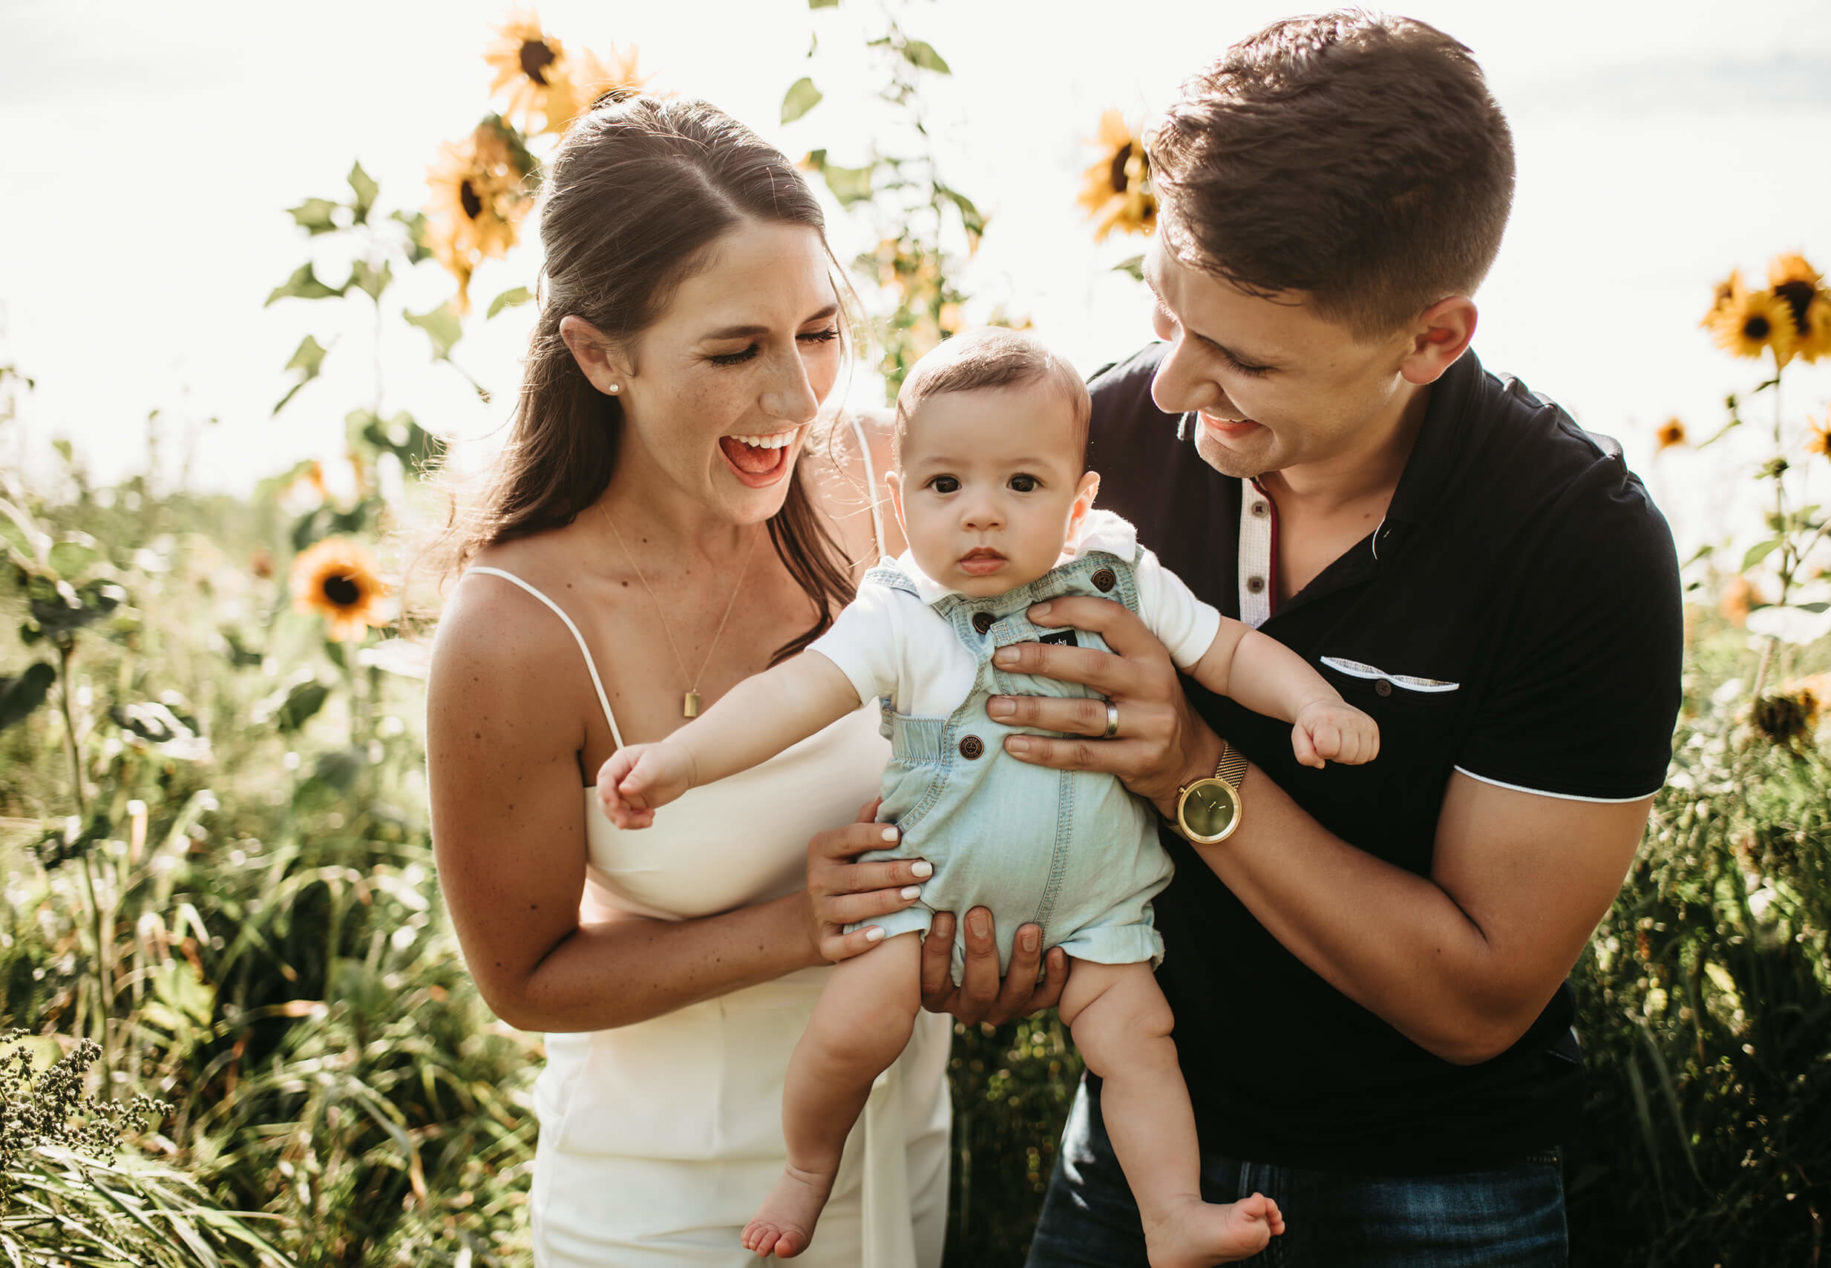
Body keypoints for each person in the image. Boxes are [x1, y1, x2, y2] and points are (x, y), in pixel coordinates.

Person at [892, 15, 1679, 1266]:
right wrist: (992, 942)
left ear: (1430, 340)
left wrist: (1189, 765)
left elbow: (1478, 1000)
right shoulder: (1090, 453)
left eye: (1241, 358)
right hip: (1137, 1156)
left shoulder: (1575, 542)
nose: (1166, 389)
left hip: (1440, 1193)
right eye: (1166, 314)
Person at [599, 327, 1380, 1263]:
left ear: (1080, 500)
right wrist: (680, 762)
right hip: (926, 896)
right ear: (900, 497)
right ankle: (808, 1168)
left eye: (1022, 485)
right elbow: (790, 697)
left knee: (1138, 1041)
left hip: (1095, 906)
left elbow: (1228, 649)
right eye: (945, 486)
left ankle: (1172, 1215)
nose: (981, 515)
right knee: (855, 1027)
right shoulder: (900, 613)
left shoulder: (1119, 575)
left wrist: (1313, 703)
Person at [425, 95, 984, 1267]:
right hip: (667, 1214)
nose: (797, 400)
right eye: (735, 350)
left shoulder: (892, 483)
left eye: (820, 331)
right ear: (598, 353)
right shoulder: (517, 628)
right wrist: (801, 925)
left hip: (904, 1162)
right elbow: (525, 977)